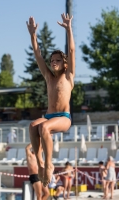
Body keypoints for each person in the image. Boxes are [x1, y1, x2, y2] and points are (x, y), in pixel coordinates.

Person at [26, 13, 75, 187]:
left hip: (63, 118)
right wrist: (33, 34)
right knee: (33, 126)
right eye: (52, 60)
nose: (53, 62)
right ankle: (39, 163)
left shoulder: (68, 76)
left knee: (44, 127)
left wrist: (69, 29)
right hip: (49, 116)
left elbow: (71, 51)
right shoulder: (48, 77)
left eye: (57, 60)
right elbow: (38, 54)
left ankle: (48, 164)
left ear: (65, 63)